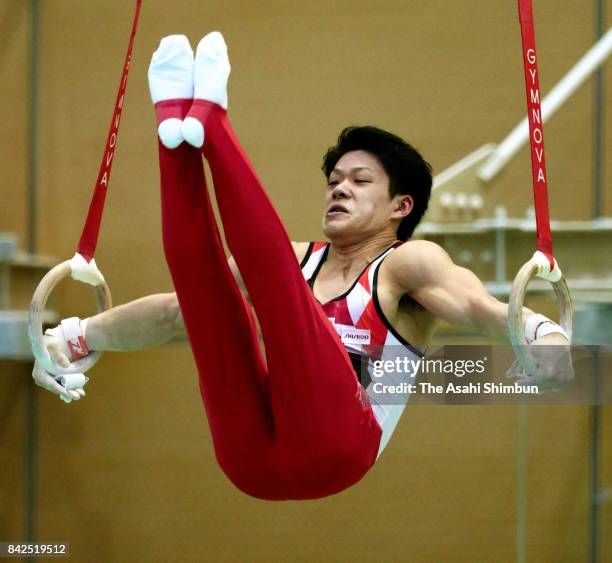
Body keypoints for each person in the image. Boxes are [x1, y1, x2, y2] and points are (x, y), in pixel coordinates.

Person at [33, 32, 570, 500]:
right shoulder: (297, 260)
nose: (339, 187)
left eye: (360, 181)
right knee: (210, 298)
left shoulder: (408, 263)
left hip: (339, 445)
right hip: (248, 462)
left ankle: (213, 128)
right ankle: (174, 134)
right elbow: (179, 313)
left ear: (401, 207)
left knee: (277, 285)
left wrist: (537, 330)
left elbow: (475, 305)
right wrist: (73, 337)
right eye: (335, 179)